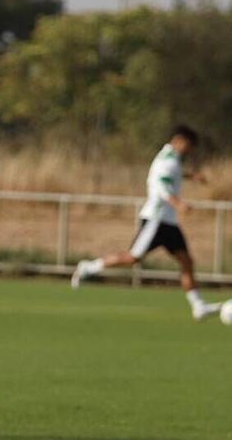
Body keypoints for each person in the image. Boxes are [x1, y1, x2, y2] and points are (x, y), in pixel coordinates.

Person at [70, 125, 222, 320]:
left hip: (169, 223)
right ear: (179, 140)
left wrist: (191, 176)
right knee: (133, 258)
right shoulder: (167, 161)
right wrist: (179, 203)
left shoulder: (171, 159)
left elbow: (171, 175)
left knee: (186, 261)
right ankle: (89, 267)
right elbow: (161, 185)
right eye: (189, 145)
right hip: (156, 220)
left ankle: (198, 305)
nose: (190, 150)